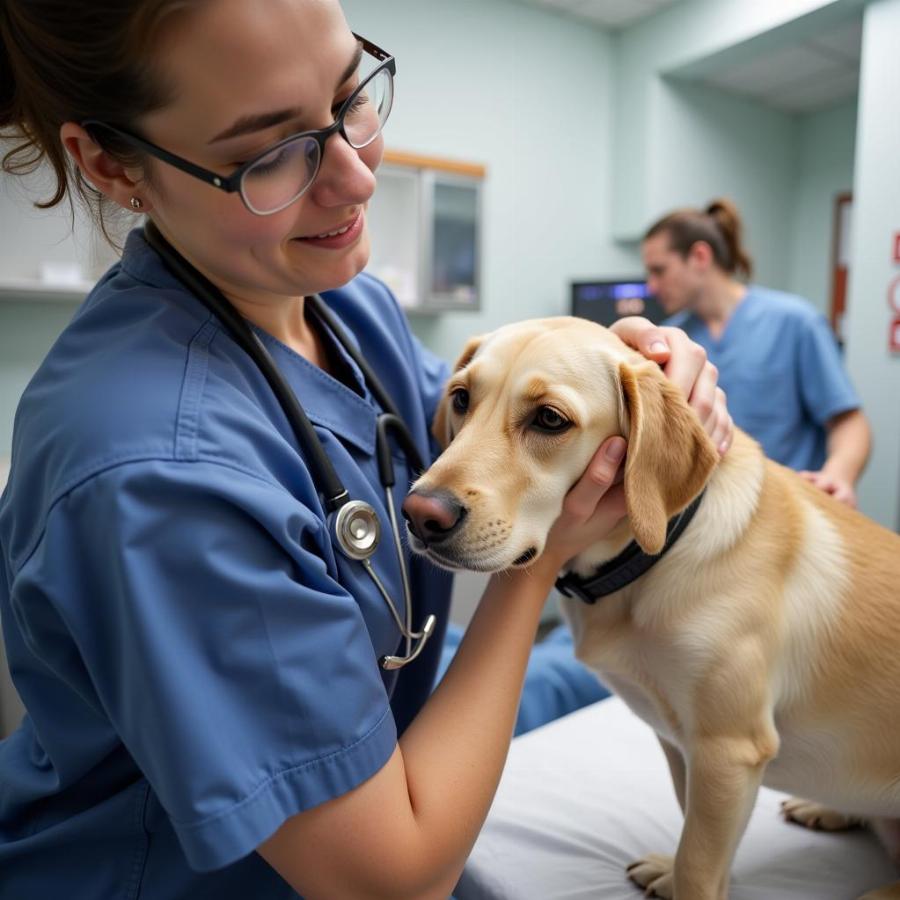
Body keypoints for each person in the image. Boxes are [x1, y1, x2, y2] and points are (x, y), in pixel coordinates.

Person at [0, 2, 732, 897]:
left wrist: (627, 370)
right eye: (268, 154)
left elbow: (479, 436)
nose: (354, 179)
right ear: (113, 166)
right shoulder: (158, 477)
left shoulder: (343, 305)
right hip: (223, 876)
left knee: (585, 679)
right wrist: (534, 572)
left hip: (394, 731)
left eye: (351, 97)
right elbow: (393, 881)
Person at [642, 198, 871, 507]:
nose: (651, 286)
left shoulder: (795, 322)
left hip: (786, 508)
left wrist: (838, 475)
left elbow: (849, 423)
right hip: (705, 515)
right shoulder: (667, 340)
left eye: (659, 271)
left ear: (699, 256)